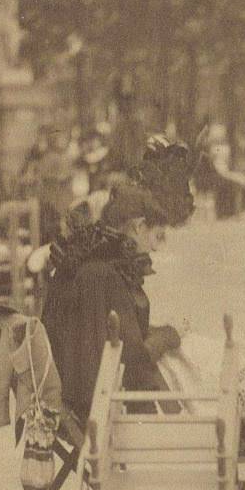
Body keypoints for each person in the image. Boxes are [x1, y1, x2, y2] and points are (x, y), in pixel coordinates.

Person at [39, 180, 183, 423]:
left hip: (64, 396)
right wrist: (170, 335)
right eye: (157, 237)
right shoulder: (107, 274)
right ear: (139, 227)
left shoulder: (81, 260)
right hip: (95, 407)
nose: (155, 249)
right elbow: (133, 359)